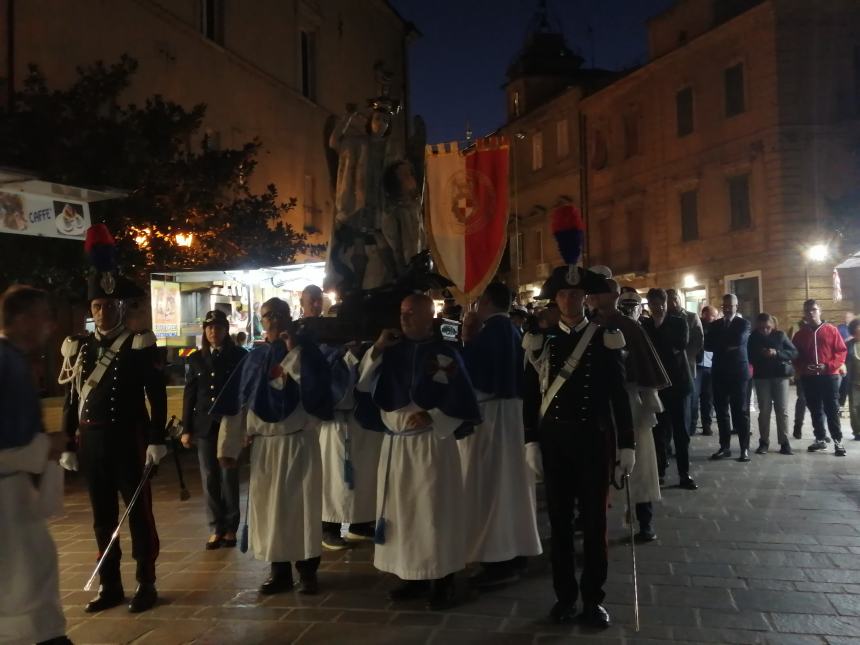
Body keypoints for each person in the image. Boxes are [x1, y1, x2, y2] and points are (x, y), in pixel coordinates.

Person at [523, 266, 635, 628]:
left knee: (594, 521)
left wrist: (627, 445)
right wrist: (530, 441)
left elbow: (620, 396)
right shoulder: (543, 342)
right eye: (563, 295)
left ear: (585, 298)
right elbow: (530, 396)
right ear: (555, 300)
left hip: (593, 440)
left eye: (575, 295)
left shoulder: (605, 337)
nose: (569, 300)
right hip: (555, 441)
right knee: (558, 523)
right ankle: (564, 596)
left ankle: (592, 599)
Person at [356, 294, 481, 610]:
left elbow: (463, 401)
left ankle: (442, 580)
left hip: (430, 446)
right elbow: (363, 383)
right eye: (402, 311)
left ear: (430, 317)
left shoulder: (444, 354)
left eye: (412, 312)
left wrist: (434, 415)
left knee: (433, 513)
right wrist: (379, 348)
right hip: (397, 445)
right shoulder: (389, 351)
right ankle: (413, 575)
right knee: (404, 513)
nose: (405, 317)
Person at [58, 267, 167, 613]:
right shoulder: (79, 348)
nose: (104, 312)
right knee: (102, 517)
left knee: (138, 515)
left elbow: (157, 395)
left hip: (128, 439)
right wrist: (67, 443)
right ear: (91, 310)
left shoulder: (138, 344)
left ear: (122, 308)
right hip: (92, 442)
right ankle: (110, 585)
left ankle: (146, 582)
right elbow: (72, 399)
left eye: (110, 305)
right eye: (97, 306)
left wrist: (156, 438)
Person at [214, 297, 333, 594]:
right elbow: (237, 404)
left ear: (289, 316)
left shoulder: (306, 351)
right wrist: (228, 448)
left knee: (301, 510)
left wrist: (294, 353)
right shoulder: (254, 358)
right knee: (270, 514)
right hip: (266, 448)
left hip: (298, 444)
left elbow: (318, 390)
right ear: (261, 320)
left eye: (280, 314)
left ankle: (307, 573)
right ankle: (279, 572)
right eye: (268, 315)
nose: (274, 319)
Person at [0, 286, 72, 645]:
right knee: (23, 578)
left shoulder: (13, 360)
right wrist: (46, 446)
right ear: (23, 318)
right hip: (6, 496)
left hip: (14, 491)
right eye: (44, 315)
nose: (50, 324)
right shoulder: (6, 362)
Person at [458, 283, 542, 588]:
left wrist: (466, 344)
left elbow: (473, 378)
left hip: (493, 419)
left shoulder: (491, 332)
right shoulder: (513, 331)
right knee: (514, 487)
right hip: (513, 417)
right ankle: (517, 550)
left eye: (480, 301)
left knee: (492, 488)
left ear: (488, 302)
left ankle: (497, 558)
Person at [303, 284, 383, 550]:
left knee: (362, 474)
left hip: (359, 418)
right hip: (334, 421)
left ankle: (360, 523)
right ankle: (329, 526)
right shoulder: (320, 341)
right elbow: (324, 374)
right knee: (333, 477)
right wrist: (348, 356)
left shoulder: (359, 341)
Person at [602, 286, 669, 541]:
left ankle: (644, 519)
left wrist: (650, 398)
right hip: (601, 405)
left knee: (640, 463)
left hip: (632, 401)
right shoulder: (590, 325)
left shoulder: (632, 328)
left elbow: (645, 367)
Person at [181, 310, 248, 550]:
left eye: (218, 327)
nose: (213, 332)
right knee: (209, 477)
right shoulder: (195, 358)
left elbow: (245, 392)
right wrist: (186, 429)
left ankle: (231, 527)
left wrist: (245, 427)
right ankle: (215, 527)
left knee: (229, 476)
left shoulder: (239, 356)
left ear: (226, 330)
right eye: (209, 328)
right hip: (204, 425)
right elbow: (189, 395)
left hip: (228, 424)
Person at [641, 289, 697, 489]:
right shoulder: (645, 325)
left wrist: (659, 331)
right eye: (654, 304)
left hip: (678, 383)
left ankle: (684, 474)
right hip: (657, 385)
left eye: (661, 303)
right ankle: (660, 469)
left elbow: (679, 345)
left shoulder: (678, 322)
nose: (658, 307)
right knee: (659, 430)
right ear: (649, 305)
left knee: (681, 432)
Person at [792, 299, 848, 455]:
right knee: (815, 409)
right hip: (809, 378)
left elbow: (841, 351)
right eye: (807, 310)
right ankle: (820, 439)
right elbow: (795, 356)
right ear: (804, 313)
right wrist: (804, 367)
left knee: (831, 409)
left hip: (829, 376)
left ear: (820, 311)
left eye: (814, 310)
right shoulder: (800, 334)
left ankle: (838, 441)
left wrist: (828, 366)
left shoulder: (831, 330)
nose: (811, 313)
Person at [706, 294, 752, 462]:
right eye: (724, 305)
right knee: (721, 411)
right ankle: (724, 447)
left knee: (740, 411)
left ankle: (744, 448)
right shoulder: (716, 324)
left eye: (730, 305)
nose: (727, 308)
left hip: (738, 374)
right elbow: (708, 345)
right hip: (719, 372)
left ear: (736, 306)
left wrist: (721, 342)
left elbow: (738, 340)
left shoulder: (744, 323)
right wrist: (726, 343)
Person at [747, 313, 798, 455]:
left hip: (780, 376)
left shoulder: (780, 335)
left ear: (773, 325)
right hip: (762, 377)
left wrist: (777, 353)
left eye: (768, 328)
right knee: (764, 411)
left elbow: (793, 352)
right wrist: (761, 353)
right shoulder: (753, 337)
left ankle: (784, 442)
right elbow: (749, 356)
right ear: (757, 326)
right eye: (762, 328)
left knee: (782, 410)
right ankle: (764, 442)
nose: (765, 330)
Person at [667, 289, 703, 437]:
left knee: (687, 404)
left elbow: (698, 341)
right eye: (668, 300)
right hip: (668, 367)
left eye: (673, 300)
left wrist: (686, 357)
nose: (671, 304)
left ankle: (685, 436)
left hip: (686, 366)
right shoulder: (664, 318)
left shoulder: (691, 317)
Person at [696, 306, 718, 436]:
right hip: (697, 365)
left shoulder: (716, 328)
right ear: (704, 314)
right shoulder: (696, 324)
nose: (714, 318)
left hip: (710, 366)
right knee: (694, 398)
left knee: (708, 398)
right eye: (712, 315)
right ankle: (692, 424)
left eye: (715, 316)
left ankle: (706, 425)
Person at [845, 318, 860, 441]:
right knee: (854, 407)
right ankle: (857, 432)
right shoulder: (849, 344)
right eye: (858, 327)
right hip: (853, 381)